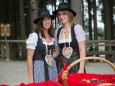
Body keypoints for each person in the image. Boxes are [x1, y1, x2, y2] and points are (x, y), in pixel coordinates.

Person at [52, 2, 86, 73]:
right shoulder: (57, 31)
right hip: (62, 67)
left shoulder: (77, 28)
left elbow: (82, 50)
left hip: (76, 65)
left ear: (69, 14)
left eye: (64, 14)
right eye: (59, 14)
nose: (61, 16)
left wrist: (81, 69)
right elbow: (57, 52)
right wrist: (44, 57)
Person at [26, 8, 58, 83]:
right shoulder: (34, 36)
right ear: (40, 22)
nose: (47, 22)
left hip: (52, 66)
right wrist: (31, 79)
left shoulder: (53, 36)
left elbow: (56, 52)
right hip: (39, 67)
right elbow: (29, 58)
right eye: (44, 20)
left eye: (48, 19)